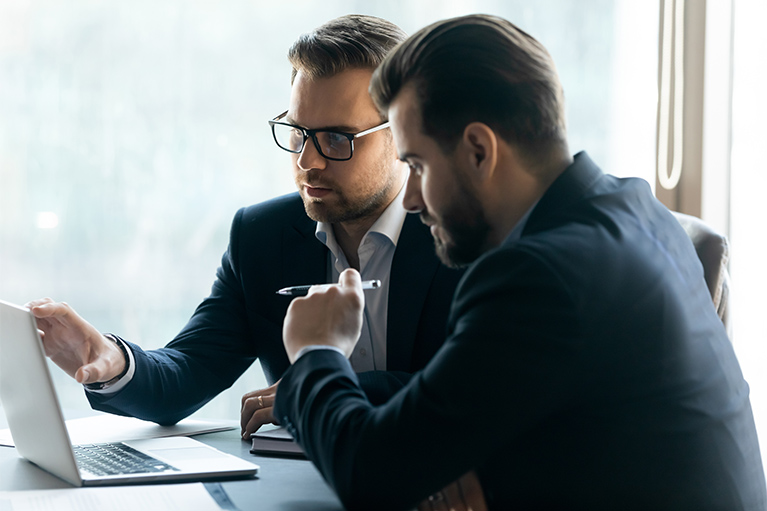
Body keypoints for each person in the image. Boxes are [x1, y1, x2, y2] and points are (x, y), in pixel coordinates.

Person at [273, 14, 767, 511]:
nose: (415, 198)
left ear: (479, 151)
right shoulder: (637, 211)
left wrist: (317, 352)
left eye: (419, 166)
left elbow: (371, 474)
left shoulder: (539, 276)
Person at [27, 14, 463, 440]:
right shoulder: (262, 236)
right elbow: (188, 372)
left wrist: (317, 389)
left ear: (403, 133)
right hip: (299, 488)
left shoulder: (467, 232)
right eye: (297, 133)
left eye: (337, 139)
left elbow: (480, 389)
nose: (307, 162)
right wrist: (109, 361)